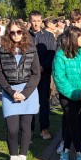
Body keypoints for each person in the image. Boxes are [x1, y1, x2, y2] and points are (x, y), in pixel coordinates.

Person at [0, 19, 41, 160]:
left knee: (25, 127)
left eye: (19, 32)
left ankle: (22, 158)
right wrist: (11, 92)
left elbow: (36, 74)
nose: (16, 35)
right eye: (12, 32)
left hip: (28, 91)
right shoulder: (2, 49)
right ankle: (13, 158)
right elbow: (0, 74)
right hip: (10, 92)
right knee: (12, 129)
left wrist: (25, 93)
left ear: (23, 32)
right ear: (8, 33)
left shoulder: (31, 49)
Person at [52, 27, 81, 160]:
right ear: (73, 38)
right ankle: (80, 154)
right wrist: (75, 94)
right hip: (68, 97)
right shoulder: (60, 55)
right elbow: (59, 78)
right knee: (73, 123)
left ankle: (65, 151)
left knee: (79, 125)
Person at [29, 10, 57, 140]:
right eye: (33, 21)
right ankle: (29, 130)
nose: (36, 23)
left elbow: (52, 53)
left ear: (41, 21)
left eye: (38, 21)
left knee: (44, 102)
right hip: (28, 75)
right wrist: (33, 67)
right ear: (30, 21)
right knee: (29, 102)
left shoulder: (48, 36)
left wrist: (42, 66)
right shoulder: (25, 36)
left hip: (43, 73)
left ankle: (44, 128)